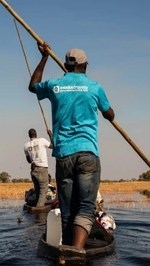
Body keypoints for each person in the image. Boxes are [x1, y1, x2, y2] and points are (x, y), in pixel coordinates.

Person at [29, 42, 115, 248]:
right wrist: (106, 111)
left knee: (66, 211)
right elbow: (109, 114)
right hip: (87, 153)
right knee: (85, 208)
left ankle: (66, 254)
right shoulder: (95, 87)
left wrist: (44, 58)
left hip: (64, 155)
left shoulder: (55, 86)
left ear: (66, 67)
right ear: (85, 66)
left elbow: (33, 86)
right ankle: (76, 252)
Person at [24, 128, 52, 207]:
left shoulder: (26, 146)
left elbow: (29, 160)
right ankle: (38, 212)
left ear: (29, 136)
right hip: (42, 169)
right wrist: (50, 135)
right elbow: (53, 146)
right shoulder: (42, 141)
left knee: (37, 192)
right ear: (36, 134)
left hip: (33, 170)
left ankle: (35, 212)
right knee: (43, 192)